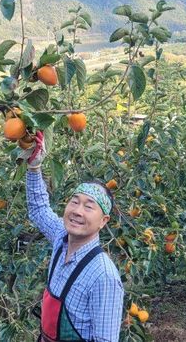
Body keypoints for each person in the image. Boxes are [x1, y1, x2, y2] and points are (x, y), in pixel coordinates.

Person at [21, 131, 124, 342]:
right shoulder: (61, 238)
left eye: (89, 206)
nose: (78, 211)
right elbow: (39, 210)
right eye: (75, 202)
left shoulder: (103, 276)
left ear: (103, 221)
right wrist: (34, 166)